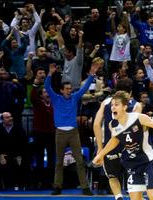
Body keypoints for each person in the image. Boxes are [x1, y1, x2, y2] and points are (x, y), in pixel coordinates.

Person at [93, 91, 153, 200]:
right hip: (134, 164)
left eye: (116, 105)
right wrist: (100, 155)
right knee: (135, 198)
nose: (113, 107)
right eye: (112, 105)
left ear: (124, 107)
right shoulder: (112, 125)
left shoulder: (139, 118)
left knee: (152, 195)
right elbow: (114, 140)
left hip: (149, 160)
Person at [45, 58, 102, 195]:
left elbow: (84, 88)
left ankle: (85, 187)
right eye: (67, 89)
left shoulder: (75, 97)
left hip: (73, 133)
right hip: (60, 133)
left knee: (79, 161)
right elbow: (47, 87)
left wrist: (92, 75)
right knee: (59, 162)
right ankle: (57, 186)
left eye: (70, 89)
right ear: (61, 90)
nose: (69, 91)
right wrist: (49, 74)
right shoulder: (56, 98)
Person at [93, 78, 142, 200]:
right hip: (129, 147)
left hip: (110, 146)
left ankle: (118, 197)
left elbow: (96, 124)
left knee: (112, 176)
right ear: (130, 93)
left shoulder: (105, 103)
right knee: (135, 177)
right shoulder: (136, 105)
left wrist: (100, 147)